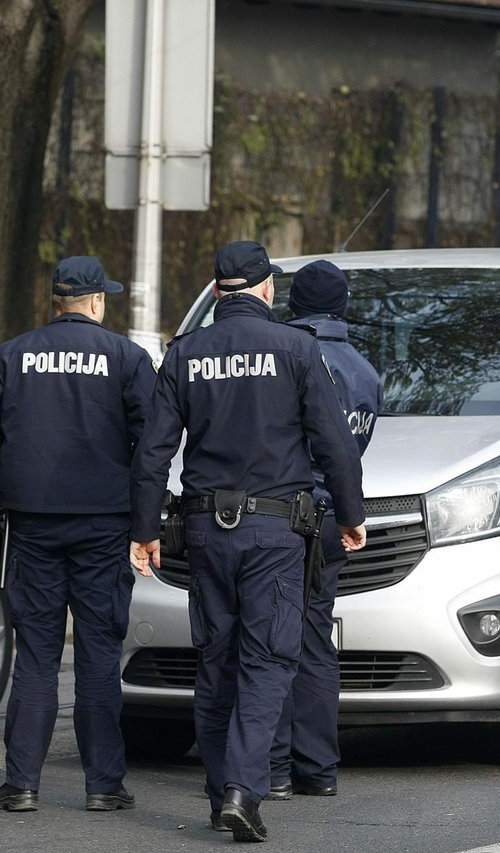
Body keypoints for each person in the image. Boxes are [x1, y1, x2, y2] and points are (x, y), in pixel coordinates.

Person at [128, 241, 367, 843]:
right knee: (267, 662)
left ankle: (219, 791)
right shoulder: (297, 348)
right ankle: (242, 789)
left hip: (205, 530)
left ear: (214, 292)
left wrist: (145, 530)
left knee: (216, 660)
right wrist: (350, 515)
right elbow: (333, 444)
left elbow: (153, 451)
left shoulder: (185, 352)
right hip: (276, 530)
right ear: (266, 291)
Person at [0, 256, 155, 813]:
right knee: (96, 655)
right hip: (104, 524)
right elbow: (154, 446)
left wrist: (5, 496)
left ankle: (21, 783)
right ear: (96, 302)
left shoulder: (12, 355)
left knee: (38, 656)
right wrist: (142, 521)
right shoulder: (127, 358)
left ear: (55, 302)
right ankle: (103, 785)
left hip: (33, 526)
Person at [269, 259, 382, 801]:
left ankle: (271, 766)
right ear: (342, 307)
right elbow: (351, 450)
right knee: (316, 642)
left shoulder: (287, 358)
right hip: (332, 518)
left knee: (270, 641)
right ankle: (318, 769)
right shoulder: (364, 370)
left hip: (285, 514)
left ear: (294, 307)